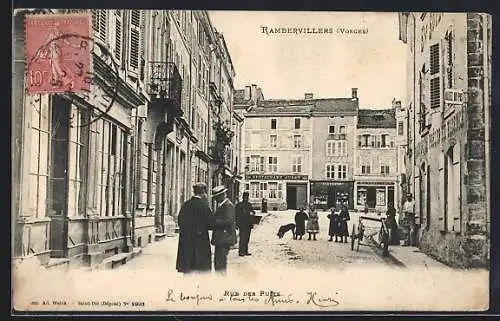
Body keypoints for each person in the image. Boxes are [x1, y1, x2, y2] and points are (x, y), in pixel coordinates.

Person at [176, 183, 213, 274]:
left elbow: (180, 221)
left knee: (188, 268)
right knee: (200, 269)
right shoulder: (204, 206)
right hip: (201, 241)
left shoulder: (186, 205)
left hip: (186, 240)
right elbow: (210, 224)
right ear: (203, 192)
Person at [210, 185, 237, 274]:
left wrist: (214, 221)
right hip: (221, 238)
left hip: (224, 238)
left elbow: (228, 221)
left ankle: (221, 282)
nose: (215, 200)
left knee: (220, 263)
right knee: (218, 262)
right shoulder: (223, 205)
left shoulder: (228, 205)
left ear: (222, 195)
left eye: (216, 197)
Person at [235, 192, 255, 257]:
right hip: (242, 224)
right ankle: (241, 252)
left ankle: (245, 251)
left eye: (247, 197)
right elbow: (236, 215)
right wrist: (236, 224)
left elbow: (253, 212)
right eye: (245, 197)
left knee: (247, 238)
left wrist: (252, 213)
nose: (246, 198)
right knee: (242, 238)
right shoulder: (239, 205)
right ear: (243, 197)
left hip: (248, 224)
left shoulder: (249, 205)